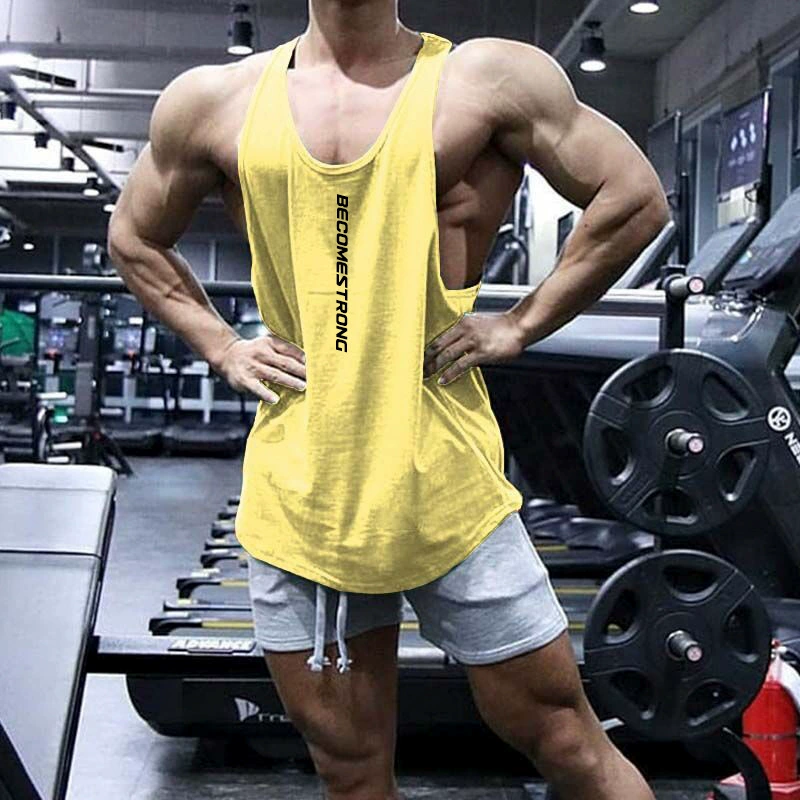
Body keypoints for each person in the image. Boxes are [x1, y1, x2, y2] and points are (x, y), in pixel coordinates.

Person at [109, 1, 668, 798]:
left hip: (447, 483)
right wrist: (223, 345)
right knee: (348, 769)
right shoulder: (214, 101)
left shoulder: (487, 80)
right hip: (305, 492)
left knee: (565, 739)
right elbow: (133, 236)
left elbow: (634, 196)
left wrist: (520, 323)